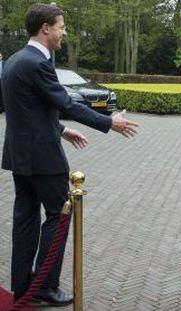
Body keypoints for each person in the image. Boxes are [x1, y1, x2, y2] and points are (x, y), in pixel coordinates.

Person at [1, 3, 138, 306]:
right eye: (61, 26)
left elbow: (29, 110)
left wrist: (62, 131)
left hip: (20, 156)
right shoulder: (37, 63)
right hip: (42, 158)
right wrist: (109, 122)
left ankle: (23, 288)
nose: (65, 32)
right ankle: (45, 286)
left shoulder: (14, 60)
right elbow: (65, 102)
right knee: (59, 214)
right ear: (45, 28)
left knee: (24, 220)